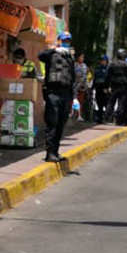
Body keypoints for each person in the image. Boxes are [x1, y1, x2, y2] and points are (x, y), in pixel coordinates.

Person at [38, 33, 77, 162]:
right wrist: (54, 49)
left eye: (68, 40)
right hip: (53, 93)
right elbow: (40, 56)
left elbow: (73, 78)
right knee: (52, 122)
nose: (66, 42)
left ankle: (56, 151)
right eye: (64, 40)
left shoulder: (70, 57)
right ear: (59, 41)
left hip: (66, 94)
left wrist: (74, 97)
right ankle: (49, 153)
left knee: (61, 124)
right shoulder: (50, 54)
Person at [106, 49, 127, 126]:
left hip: (114, 85)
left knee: (111, 102)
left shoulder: (112, 64)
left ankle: (106, 117)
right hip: (124, 86)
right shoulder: (125, 65)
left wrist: (106, 85)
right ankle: (119, 120)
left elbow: (107, 76)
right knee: (121, 102)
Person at [93, 54, 111, 123]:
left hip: (105, 88)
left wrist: (108, 87)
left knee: (106, 103)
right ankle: (99, 118)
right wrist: (93, 87)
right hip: (98, 88)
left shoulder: (108, 69)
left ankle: (106, 118)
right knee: (99, 103)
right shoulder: (98, 69)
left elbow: (109, 79)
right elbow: (95, 78)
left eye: (103, 60)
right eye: (101, 61)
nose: (102, 62)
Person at [74, 53, 90, 122]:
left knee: (80, 101)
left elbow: (87, 74)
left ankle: (79, 115)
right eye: (81, 57)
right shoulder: (75, 65)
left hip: (82, 86)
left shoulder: (84, 65)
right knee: (74, 100)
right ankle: (73, 114)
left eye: (83, 57)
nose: (82, 59)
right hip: (75, 85)